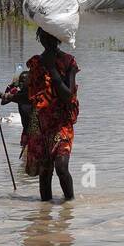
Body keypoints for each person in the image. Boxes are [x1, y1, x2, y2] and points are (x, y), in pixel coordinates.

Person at [24, 28, 80, 201]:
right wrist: (2, 95)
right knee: (45, 172)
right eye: (43, 37)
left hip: (62, 123)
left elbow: (67, 96)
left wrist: (51, 69)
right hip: (42, 124)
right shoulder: (36, 64)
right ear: (39, 38)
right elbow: (28, 95)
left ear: (57, 39)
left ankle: (69, 208)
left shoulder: (68, 62)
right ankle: (44, 216)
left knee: (61, 167)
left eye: (50, 38)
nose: (46, 41)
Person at [0, 68, 41, 176]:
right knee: (27, 162)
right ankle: (28, 184)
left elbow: (4, 97)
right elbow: (4, 101)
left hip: (37, 132)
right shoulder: (18, 94)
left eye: (25, 81)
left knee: (32, 162)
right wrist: (11, 85)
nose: (22, 83)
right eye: (21, 81)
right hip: (26, 131)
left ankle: (31, 183)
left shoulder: (34, 95)